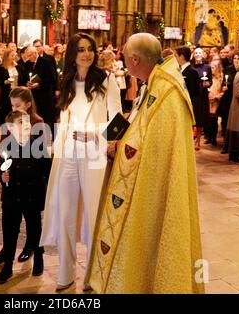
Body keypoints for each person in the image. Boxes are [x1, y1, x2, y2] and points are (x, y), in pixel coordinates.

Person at [88, 33, 205, 294]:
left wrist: (118, 147)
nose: (123, 62)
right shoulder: (152, 83)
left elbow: (155, 149)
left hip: (152, 192)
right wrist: (116, 138)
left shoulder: (168, 93)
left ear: (135, 59)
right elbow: (139, 125)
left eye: (125, 57)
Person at [40, 33, 122, 292]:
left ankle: (92, 275)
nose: (86, 54)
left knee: (92, 215)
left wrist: (97, 135)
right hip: (67, 155)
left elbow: (119, 121)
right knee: (65, 213)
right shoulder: (66, 81)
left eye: (90, 49)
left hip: (93, 155)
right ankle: (65, 273)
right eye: (81, 50)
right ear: (72, 54)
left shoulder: (106, 80)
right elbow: (64, 118)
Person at [0, 87, 48, 266]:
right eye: (12, 105)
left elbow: (44, 163)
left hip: (31, 186)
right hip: (13, 186)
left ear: (28, 105)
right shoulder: (10, 124)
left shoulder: (37, 126)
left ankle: (34, 251)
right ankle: (7, 257)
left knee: (33, 224)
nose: (14, 109)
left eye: (18, 105)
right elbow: (4, 154)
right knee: (10, 226)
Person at [0, 49, 27, 124]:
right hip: (7, 92)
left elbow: (23, 79)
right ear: (7, 56)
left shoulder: (18, 66)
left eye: (14, 55)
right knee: (7, 110)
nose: (14, 57)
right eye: (12, 55)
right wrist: (7, 81)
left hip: (18, 92)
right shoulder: (1, 67)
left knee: (18, 111)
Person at [191, 48, 212, 150]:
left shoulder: (207, 67)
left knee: (199, 120)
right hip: (192, 96)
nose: (198, 54)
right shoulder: (190, 67)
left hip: (202, 96)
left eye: (200, 53)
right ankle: (190, 139)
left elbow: (210, 81)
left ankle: (198, 141)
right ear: (193, 55)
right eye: (196, 53)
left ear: (203, 55)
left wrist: (207, 84)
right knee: (190, 119)